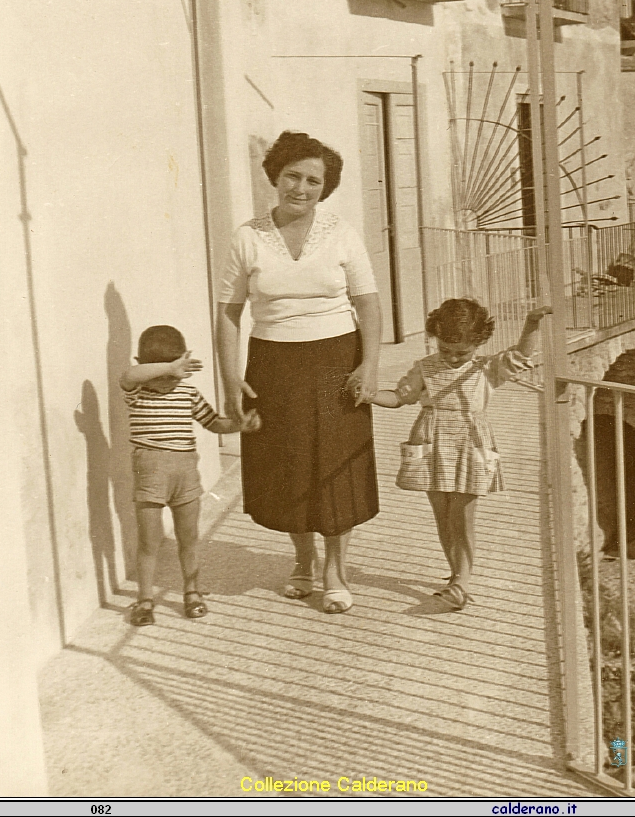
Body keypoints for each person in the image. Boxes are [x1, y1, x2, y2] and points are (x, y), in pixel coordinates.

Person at [217, 131, 381, 614]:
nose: (301, 188)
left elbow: (368, 304)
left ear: (325, 188)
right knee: (289, 465)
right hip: (273, 364)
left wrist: (369, 364)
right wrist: (230, 378)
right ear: (275, 176)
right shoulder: (247, 237)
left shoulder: (342, 233)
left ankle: (336, 571)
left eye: (313, 181)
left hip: (337, 361)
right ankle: (303, 560)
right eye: (293, 176)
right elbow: (228, 312)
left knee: (335, 465)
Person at [370, 299, 550, 611]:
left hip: (470, 443)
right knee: (443, 515)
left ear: (478, 344)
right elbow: (400, 397)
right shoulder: (424, 367)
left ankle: (462, 582)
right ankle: (456, 576)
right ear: (436, 339)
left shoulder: (486, 368)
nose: (453, 358)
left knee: (462, 515)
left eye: (462, 352)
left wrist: (532, 323)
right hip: (431, 442)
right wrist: (369, 395)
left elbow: (520, 355)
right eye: (445, 350)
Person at [121, 324, 259, 626]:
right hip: (150, 475)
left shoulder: (187, 392)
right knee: (148, 542)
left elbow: (214, 423)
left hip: (185, 474)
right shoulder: (137, 393)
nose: (167, 380)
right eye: (160, 373)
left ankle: (192, 592)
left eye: (174, 374)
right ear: (143, 365)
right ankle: (144, 600)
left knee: (189, 538)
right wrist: (170, 367)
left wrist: (240, 425)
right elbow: (129, 376)